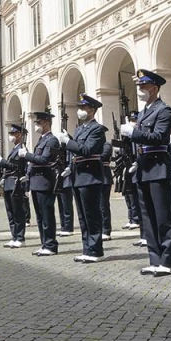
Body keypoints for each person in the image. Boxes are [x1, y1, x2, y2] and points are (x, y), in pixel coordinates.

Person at [123, 70, 171, 276]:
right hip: (144, 167)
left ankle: (168, 260)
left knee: (162, 216)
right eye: (139, 87)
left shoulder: (164, 110)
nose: (140, 90)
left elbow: (158, 137)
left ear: (154, 88)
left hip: (157, 166)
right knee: (148, 217)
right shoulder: (146, 111)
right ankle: (155, 259)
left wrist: (134, 132)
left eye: (143, 87)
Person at [58, 94, 109, 263]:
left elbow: (86, 150)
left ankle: (96, 250)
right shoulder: (79, 129)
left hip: (90, 175)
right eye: (79, 108)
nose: (80, 111)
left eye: (83, 108)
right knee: (82, 216)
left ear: (92, 110)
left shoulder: (97, 129)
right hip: (78, 175)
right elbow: (76, 151)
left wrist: (68, 142)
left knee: (92, 215)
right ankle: (87, 248)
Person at [24, 111, 60, 256]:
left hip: (45, 182)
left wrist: (26, 155)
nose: (36, 125)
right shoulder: (42, 139)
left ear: (46, 122)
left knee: (47, 216)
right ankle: (44, 243)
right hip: (37, 182)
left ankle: (51, 245)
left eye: (38, 123)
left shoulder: (51, 140)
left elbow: (44, 159)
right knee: (39, 216)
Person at [0, 125, 29, 248]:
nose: (11, 136)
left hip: (16, 182)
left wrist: (2, 161)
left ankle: (20, 237)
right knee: (10, 211)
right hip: (9, 182)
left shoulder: (22, 148)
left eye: (13, 134)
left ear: (19, 135)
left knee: (17, 211)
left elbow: (15, 167)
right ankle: (14, 236)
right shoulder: (14, 149)